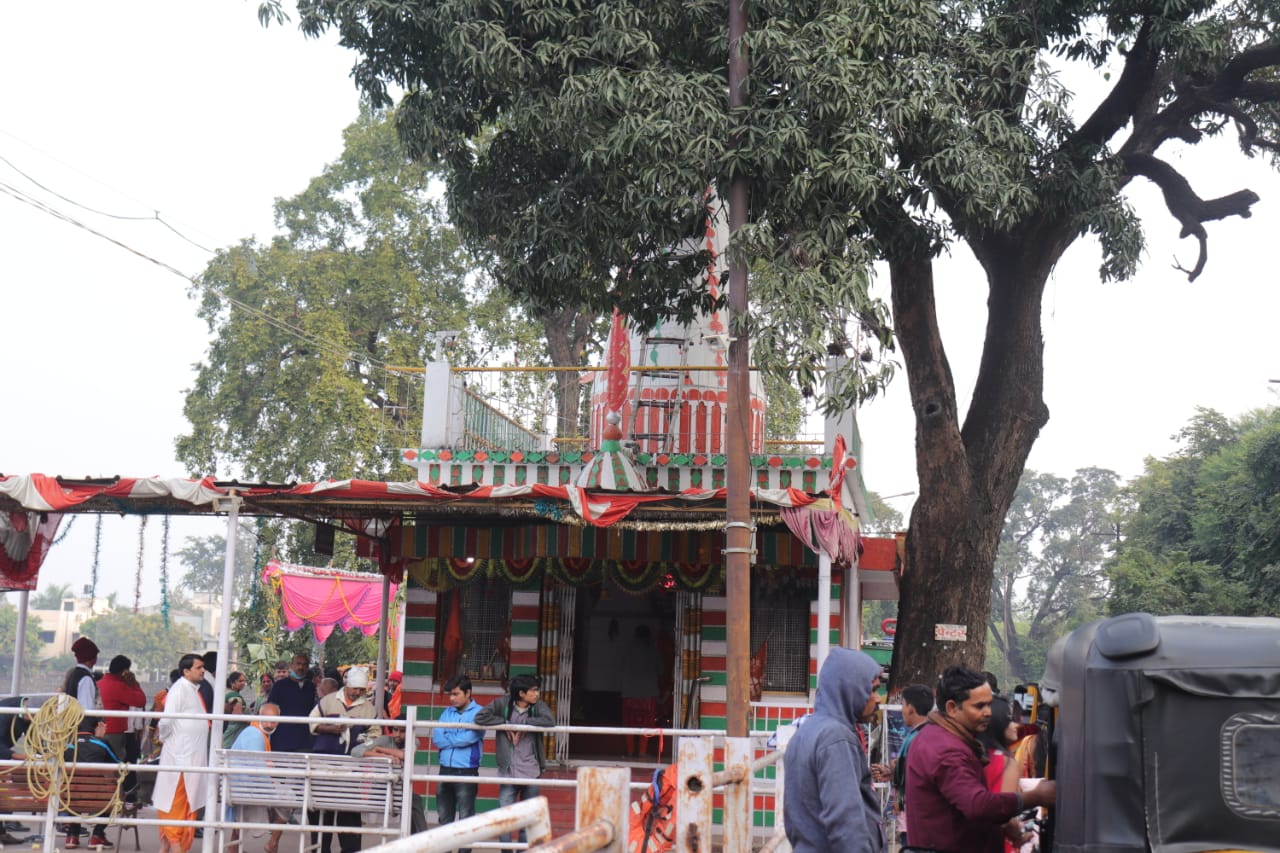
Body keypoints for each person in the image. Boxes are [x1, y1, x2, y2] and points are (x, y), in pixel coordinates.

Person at [905, 666, 1055, 853]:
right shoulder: (947, 750)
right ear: (952, 708)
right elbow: (977, 805)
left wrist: (1007, 825)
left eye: (989, 704)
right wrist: (1035, 796)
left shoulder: (936, 737)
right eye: (979, 706)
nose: (988, 713)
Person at [782, 647, 884, 853]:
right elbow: (846, 823)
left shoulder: (808, 730)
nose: (878, 698)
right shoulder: (836, 737)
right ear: (851, 689)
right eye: (872, 690)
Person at [475, 674, 555, 849]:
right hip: (508, 771)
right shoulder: (502, 704)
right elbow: (480, 717)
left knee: (528, 819)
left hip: (531, 771)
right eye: (533, 690)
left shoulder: (538, 707)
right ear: (521, 693)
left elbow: (550, 721)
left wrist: (524, 723)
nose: (537, 694)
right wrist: (505, 723)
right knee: (505, 818)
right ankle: (506, 850)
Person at [308, 666, 381, 853]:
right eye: (355, 688)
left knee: (348, 814)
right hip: (323, 767)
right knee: (321, 814)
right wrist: (330, 728)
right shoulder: (328, 701)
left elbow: (375, 735)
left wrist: (360, 739)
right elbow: (312, 723)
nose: (358, 692)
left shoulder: (368, 709)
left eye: (361, 690)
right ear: (347, 685)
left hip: (350, 771)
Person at [154, 654, 210, 853]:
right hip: (179, 758)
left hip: (189, 758)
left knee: (185, 802)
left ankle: (168, 847)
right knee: (174, 802)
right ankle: (175, 846)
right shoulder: (179, 689)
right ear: (186, 671)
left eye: (203, 667)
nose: (203, 670)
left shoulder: (192, 690)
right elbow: (166, 722)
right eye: (199, 667)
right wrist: (166, 738)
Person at [352, 713, 428, 834]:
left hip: (397, 794)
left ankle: (414, 839)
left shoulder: (414, 741)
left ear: (410, 731)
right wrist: (382, 756)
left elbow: (405, 755)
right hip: (380, 792)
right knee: (414, 800)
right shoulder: (384, 739)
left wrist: (381, 749)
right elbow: (355, 751)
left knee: (412, 800)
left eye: (402, 731)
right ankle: (423, 837)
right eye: (395, 729)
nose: (397, 734)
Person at [432, 675, 483, 850]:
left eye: (456, 694)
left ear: (468, 693)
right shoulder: (447, 712)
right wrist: (456, 737)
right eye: (450, 695)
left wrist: (450, 736)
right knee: (444, 816)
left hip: (466, 771)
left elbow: (472, 737)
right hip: (445, 769)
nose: (452, 698)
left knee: (466, 817)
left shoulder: (479, 713)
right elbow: (438, 738)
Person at [227, 703, 284, 853]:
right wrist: (271, 790)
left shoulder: (254, 731)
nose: (271, 724)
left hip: (238, 785)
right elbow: (258, 772)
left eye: (274, 720)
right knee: (289, 798)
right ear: (259, 716)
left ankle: (234, 847)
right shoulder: (254, 735)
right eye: (268, 719)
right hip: (245, 787)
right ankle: (273, 843)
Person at [976, 697, 1027, 852]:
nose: (1015, 725)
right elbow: (1006, 811)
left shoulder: (972, 757)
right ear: (997, 722)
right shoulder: (1006, 762)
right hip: (998, 843)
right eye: (1010, 720)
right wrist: (1020, 834)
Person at [890, 684, 934, 849]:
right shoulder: (933, 734)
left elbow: (902, 778)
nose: (901, 709)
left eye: (903, 704)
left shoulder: (912, 740)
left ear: (911, 708)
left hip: (911, 820)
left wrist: (899, 803)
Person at [98, 654, 147, 769]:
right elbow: (141, 701)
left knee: (100, 761)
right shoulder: (119, 686)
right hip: (115, 731)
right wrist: (134, 683)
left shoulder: (99, 683)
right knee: (116, 762)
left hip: (99, 729)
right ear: (124, 671)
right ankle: (116, 786)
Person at [621, 625, 660, 757]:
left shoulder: (627, 649)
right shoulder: (652, 650)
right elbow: (660, 669)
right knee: (647, 723)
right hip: (648, 693)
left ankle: (630, 751)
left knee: (629, 723)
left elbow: (622, 666)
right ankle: (642, 752)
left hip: (629, 692)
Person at [267, 653, 317, 753]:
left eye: (305, 664)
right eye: (298, 664)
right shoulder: (279, 686)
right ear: (291, 665)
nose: (301, 667)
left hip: (304, 740)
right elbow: (270, 709)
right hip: (282, 739)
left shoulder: (310, 686)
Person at [64, 637, 100, 710]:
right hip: (82, 721)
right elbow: (87, 709)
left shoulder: (72, 674)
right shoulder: (86, 678)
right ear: (92, 658)